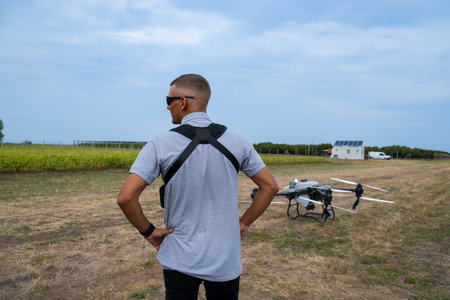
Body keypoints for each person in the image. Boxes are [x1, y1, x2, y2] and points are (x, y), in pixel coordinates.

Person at [117, 74, 279, 299]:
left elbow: (126, 198)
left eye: (168, 100)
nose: (167, 107)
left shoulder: (160, 144)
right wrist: (243, 222)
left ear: (183, 102)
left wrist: (149, 231)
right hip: (225, 260)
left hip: (179, 258)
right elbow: (270, 187)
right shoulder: (238, 141)